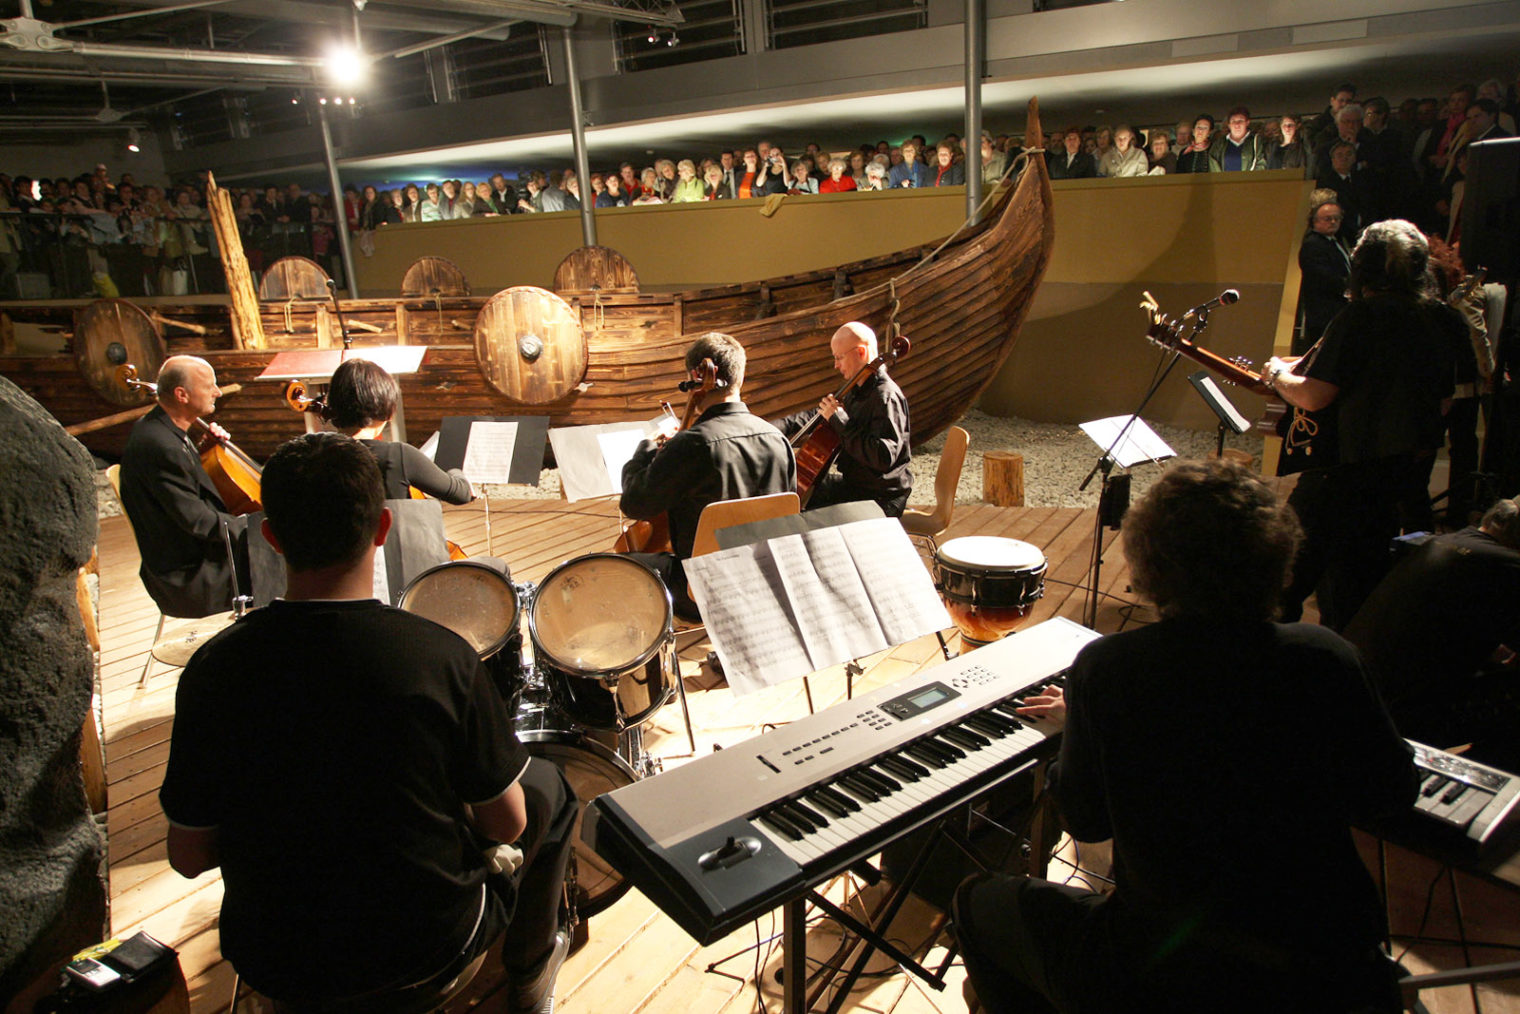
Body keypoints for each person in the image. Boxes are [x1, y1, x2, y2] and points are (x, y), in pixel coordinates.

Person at [952, 458, 1418, 1014]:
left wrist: (1082, 731)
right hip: (1333, 968)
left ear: (1149, 562)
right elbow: (1392, 793)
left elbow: (1086, 819)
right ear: (1278, 559)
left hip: (1173, 970)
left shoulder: (1113, 669)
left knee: (976, 904)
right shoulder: (1326, 656)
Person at [160, 432, 577, 1012]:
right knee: (550, 789)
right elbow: (507, 826)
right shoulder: (441, 655)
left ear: (273, 536)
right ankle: (530, 974)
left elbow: (188, 856)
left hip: (274, 957)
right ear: (382, 529)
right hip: (428, 948)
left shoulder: (212, 669)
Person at [1265, 220, 1467, 628]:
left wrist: (1276, 375)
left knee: (1280, 585)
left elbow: (1315, 395)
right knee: (1359, 592)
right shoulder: (1445, 319)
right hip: (1402, 477)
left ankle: (1275, 674)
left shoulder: (1360, 316)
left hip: (1340, 475)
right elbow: (1445, 402)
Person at [619, 332, 795, 617]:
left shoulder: (691, 445)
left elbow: (634, 503)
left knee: (616, 566)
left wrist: (646, 450)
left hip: (702, 590)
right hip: (763, 584)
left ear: (694, 377)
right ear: (740, 377)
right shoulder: (778, 439)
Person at [1344, 496, 1520, 770]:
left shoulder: (1440, 543)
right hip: (1403, 718)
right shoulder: (1509, 567)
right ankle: (1493, 790)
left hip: (1354, 702)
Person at [119, 355, 248, 618]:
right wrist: (253, 527)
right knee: (280, 563)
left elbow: (183, 484)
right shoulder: (161, 445)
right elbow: (197, 521)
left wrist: (205, 448)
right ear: (182, 395)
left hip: (189, 557)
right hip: (188, 575)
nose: (218, 392)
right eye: (209, 386)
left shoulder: (162, 429)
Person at [774, 322, 912, 517]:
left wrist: (840, 420)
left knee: (805, 516)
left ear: (861, 352)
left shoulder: (885, 396)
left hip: (880, 498)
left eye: (839, 357)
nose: (835, 365)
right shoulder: (856, 390)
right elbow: (819, 415)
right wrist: (772, 428)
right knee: (788, 493)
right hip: (856, 487)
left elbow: (883, 457)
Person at [324, 357, 473, 504]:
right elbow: (461, 494)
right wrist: (456, 472)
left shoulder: (315, 454)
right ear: (387, 408)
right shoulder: (397, 456)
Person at [1294, 190, 1351, 355]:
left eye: (1337, 218)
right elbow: (1324, 279)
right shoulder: (1313, 244)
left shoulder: (1334, 240)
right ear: (1315, 221)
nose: (1333, 222)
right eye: (1328, 219)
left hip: (1337, 313)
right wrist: (1349, 288)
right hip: (1324, 316)